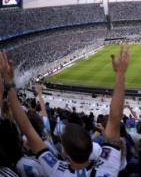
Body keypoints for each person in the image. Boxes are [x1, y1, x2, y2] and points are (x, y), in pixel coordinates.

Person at [0, 47, 130, 176]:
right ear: (91, 146)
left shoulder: (55, 169)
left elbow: (27, 129)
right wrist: (120, 75)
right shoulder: (108, 167)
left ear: (65, 152)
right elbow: (114, 120)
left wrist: (10, 85)